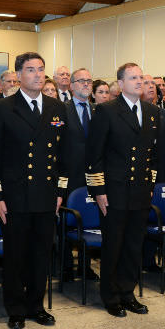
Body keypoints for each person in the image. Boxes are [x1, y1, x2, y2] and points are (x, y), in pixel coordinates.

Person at [0, 52, 69, 329]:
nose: (36, 74)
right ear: (19, 75)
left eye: (40, 69)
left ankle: (36, 305)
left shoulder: (57, 108)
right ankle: (16, 308)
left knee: (41, 254)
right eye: (30, 70)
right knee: (16, 255)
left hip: (46, 194)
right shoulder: (4, 107)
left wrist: (60, 192)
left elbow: (63, 155)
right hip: (15, 195)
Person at [86, 62, 165, 317]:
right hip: (114, 190)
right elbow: (95, 154)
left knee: (134, 245)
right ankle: (110, 295)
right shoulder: (107, 111)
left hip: (141, 190)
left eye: (141, 78)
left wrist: (151, 183)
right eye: (132, 78)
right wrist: (99, 190)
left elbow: (154, 154)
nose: (139, 82)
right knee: (114, 245)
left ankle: (127, 292)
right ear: (120, 84)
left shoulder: (151, 111)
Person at [60, 68, 98, 283]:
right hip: (69, 175)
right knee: (66, 220)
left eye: (88, 80)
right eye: (81, 81)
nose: (85, 84)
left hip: (93, 176)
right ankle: (65, 266)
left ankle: (85, 266)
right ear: (71, 85)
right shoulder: (61, 110)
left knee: (90, 221)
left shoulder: (98, 110)